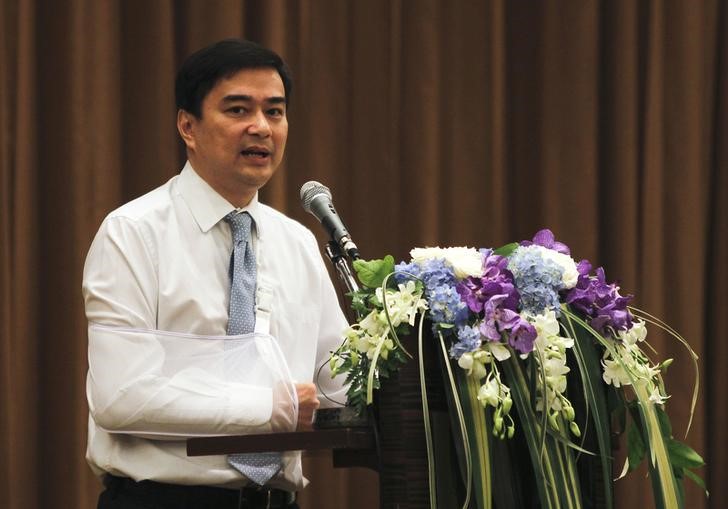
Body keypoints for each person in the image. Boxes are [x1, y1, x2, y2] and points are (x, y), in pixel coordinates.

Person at [83, 39, 348, 509]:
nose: (261, 127)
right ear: (188, 126)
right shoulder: (133, 233)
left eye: (275, 111)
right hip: (162, 501)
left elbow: (337, 382)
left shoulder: (298, 243)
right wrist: (269, 409)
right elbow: (119, 397)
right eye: (238, 109)